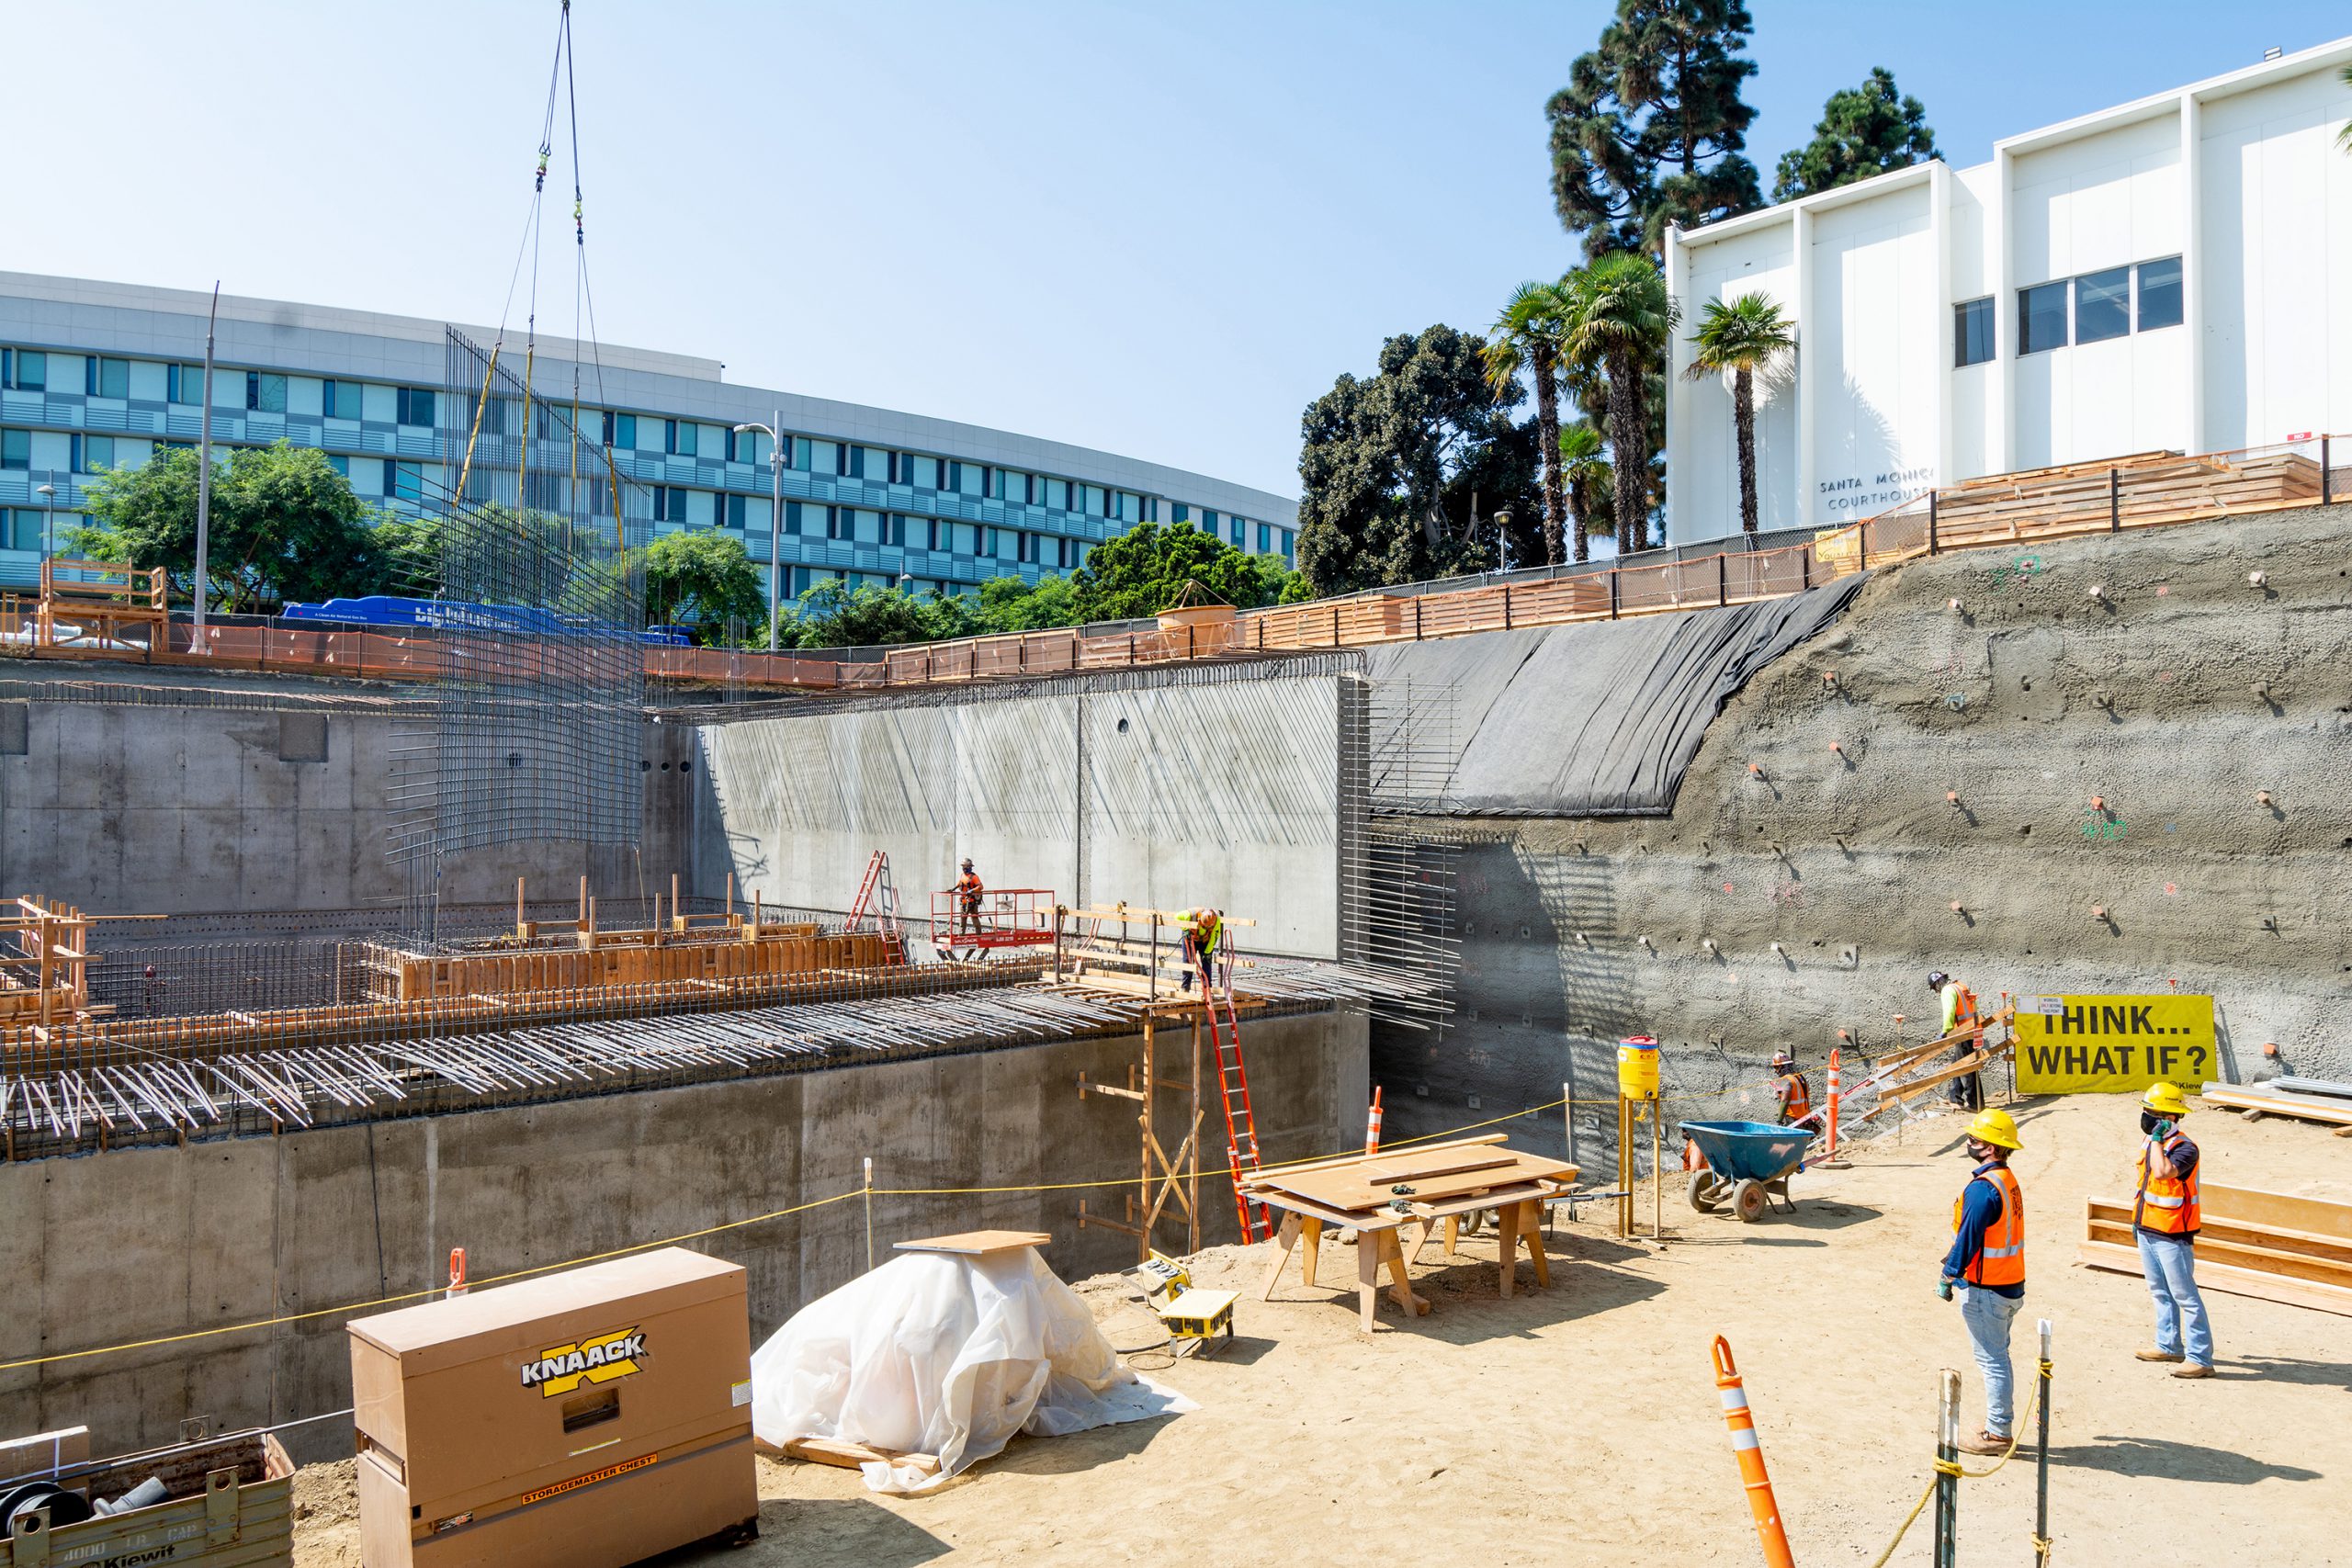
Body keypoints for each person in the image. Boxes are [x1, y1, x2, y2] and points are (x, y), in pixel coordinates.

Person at [1939, 1108, 2026, 1455]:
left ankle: (1998, 1433)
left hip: (1987, 1289)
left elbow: (1969, 1239)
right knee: (1998, 1356)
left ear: (1991, 1148)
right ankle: (1996, 1425)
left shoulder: (1982, 1190)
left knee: (1992, 1360)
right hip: (2008, 1284)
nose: (1969, 1143)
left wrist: (1948, 1275)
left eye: (1974, 1139)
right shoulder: (2006, 1180)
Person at [2132, 1081, 2213, 1378]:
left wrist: (2156, 1139)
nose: (2146, 1118)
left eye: (2152, 1113)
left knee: (2186, 1296)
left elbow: (2165, 1172)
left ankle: (2200, 1357)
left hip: (2173, 1234)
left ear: (2171, 1117)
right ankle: (2168, 1345)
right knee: (2159, 1291)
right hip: (2148, 1227)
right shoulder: (2154, 1143)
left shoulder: (2184, 1148)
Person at [1930, 969, 1984, 1111]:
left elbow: (1949, 1010)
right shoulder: (1960, 987)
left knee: (1966, 1067)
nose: (1937, 991)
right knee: (1956, 1063)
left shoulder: (1947, 990)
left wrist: (1945, 1030)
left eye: (1935, 987)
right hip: (1971, 1030)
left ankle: (1975, 1104)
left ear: (1938, 983)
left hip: (1963, 1032)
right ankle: (1956, 1098)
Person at [1180, 907, 1224, 994]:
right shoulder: (1190, 914)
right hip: (1190, 938)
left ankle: (1206, 987)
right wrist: (1185, 929)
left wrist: (1207, 952)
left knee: (1206, 961)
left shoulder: (1216, 920)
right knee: (1188, 961)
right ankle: (1185, 987)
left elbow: (1215, 936)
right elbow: (1176, 917)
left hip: (1206, 941)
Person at [1770, 1050, 1813, 1127]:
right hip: (1805, 1118)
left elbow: (1785, 1100)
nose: (1776, 1071)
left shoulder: (1786, 1080)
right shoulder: (1800, 1077)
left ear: (1782, 1067)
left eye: (1776, 1067)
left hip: (1794, 1119)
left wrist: (1779, 1121)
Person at [953, 859, 984, 942]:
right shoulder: (962, 875)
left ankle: (979, 936)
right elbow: (960, 884)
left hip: (972, 903)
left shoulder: (974, 877)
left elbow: (980, 887)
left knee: (975, 921)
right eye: (963, 866)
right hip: (964, 902)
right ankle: (961, 937)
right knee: (962, 921)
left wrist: (971, 891)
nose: (964, 868)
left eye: (966, 866)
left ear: (970, 867)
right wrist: (953, 889)